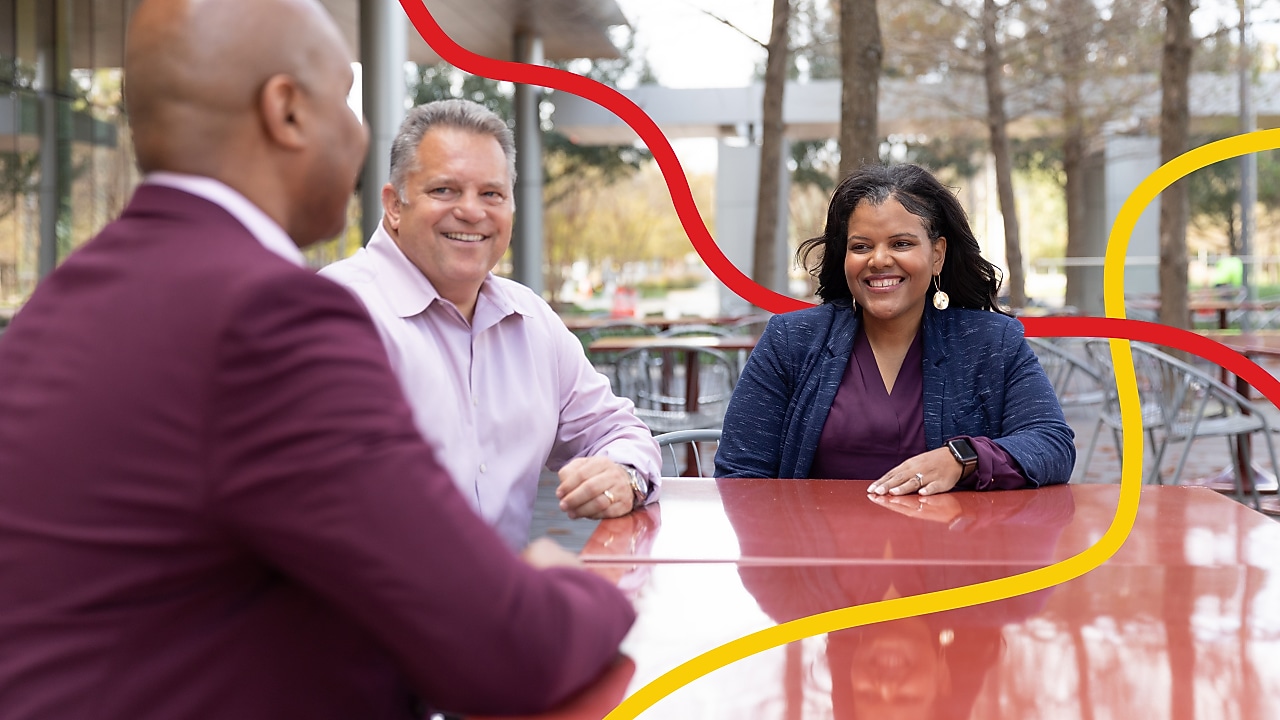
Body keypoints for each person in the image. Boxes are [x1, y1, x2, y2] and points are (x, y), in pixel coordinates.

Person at [0, 1, 634, 718]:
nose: (358, 136)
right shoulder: (270, 318)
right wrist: (576, 586)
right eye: (346, 100)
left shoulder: (51, 312)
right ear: (287, 111)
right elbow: (503, 645)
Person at [319, 99, 661, 550]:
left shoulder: (531, 320)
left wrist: (623, 475)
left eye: (492, 194)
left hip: (500, 611)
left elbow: (618, 430)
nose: (471, 211)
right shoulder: (336, 312)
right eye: (444, 190)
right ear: (393, 205)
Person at [714, 163, 1075, 492]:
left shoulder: (990, 342)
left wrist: (963, 458)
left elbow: (1051, 443)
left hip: (951, 553)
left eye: (901, 243)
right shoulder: (791, 342)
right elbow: (740, 474)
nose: (880, 259)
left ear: (937, 255)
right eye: (861, 246)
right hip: (819, 557)